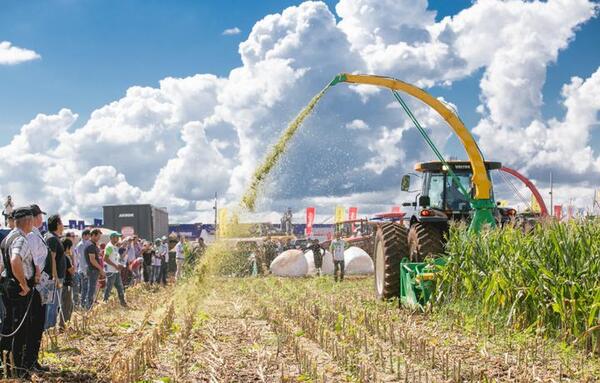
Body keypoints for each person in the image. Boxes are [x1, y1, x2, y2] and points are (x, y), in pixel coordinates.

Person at [0, 207, 36, 378]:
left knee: (8, 326)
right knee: (20, 329)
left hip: (7, 285)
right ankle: (19, 371)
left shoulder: (7, 238)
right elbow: (15, 260)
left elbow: (1, 265)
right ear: (28, 221)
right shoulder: (21, 239)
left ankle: (6, 368)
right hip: (19, 288)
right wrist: (24, 284)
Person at [24, 205, 48, 372]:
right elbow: (33, 260)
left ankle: (33, 360)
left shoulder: (36, 234)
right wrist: (37, 277)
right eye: (40, 215)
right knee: (35, 324)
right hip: (36, 285)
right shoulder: (32, 235)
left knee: (37, 324)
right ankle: (30, 361)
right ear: (34, 217)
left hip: (39, 283)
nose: (42, 219)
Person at [44, 214, 66, 330]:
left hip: (56, 276)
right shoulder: (52, 238)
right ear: (57, 224)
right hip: (54, 278)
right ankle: (49, 330)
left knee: (53, 305)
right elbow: (51, 258)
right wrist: (55, 277)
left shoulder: (53, 237)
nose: (63, 225)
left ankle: (49, 329)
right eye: (61, 222)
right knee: (52, 305)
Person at [103, 233, 127, 306]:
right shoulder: (109, 247)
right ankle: (104, 303)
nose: (118, 239)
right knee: (109, 288)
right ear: (112, 238)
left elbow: (115, 259)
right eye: (117, 237)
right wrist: (115, 265)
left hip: (116, 271)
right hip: (111, 271)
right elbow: (105, 258)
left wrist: (119, 265)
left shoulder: (115, 247)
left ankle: (123, 302)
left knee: (120, 287)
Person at [84, 229, 105, 310]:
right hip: (93, 270)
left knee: (92, 288)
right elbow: (92, 260)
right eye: (98, 236)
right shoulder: (91, 246)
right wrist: (101, 269)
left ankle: (90, 305)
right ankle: (88, 307)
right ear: (93, 235)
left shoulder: (92, 245)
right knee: (91, 289)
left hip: (93, 270)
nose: (99, 238)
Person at [59, 238, 75, 329]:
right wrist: (72, 258)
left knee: (66, 304)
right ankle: (64, 324)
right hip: (67, 284)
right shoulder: (66, 258)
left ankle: (63, 323)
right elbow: (72, 271)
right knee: (67, 306)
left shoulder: (60, 256)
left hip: (63, 283)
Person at [74, 229, 91, 309]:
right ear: (84, 235)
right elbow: (82, 259)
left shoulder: (87, 243)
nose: (89, 236)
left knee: (86, 287)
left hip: (85, 269)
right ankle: (83, 303)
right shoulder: (81, 245)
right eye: (88, 235)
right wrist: (85, 271)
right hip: (83, 270)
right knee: (84, 288)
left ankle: (85, 303)